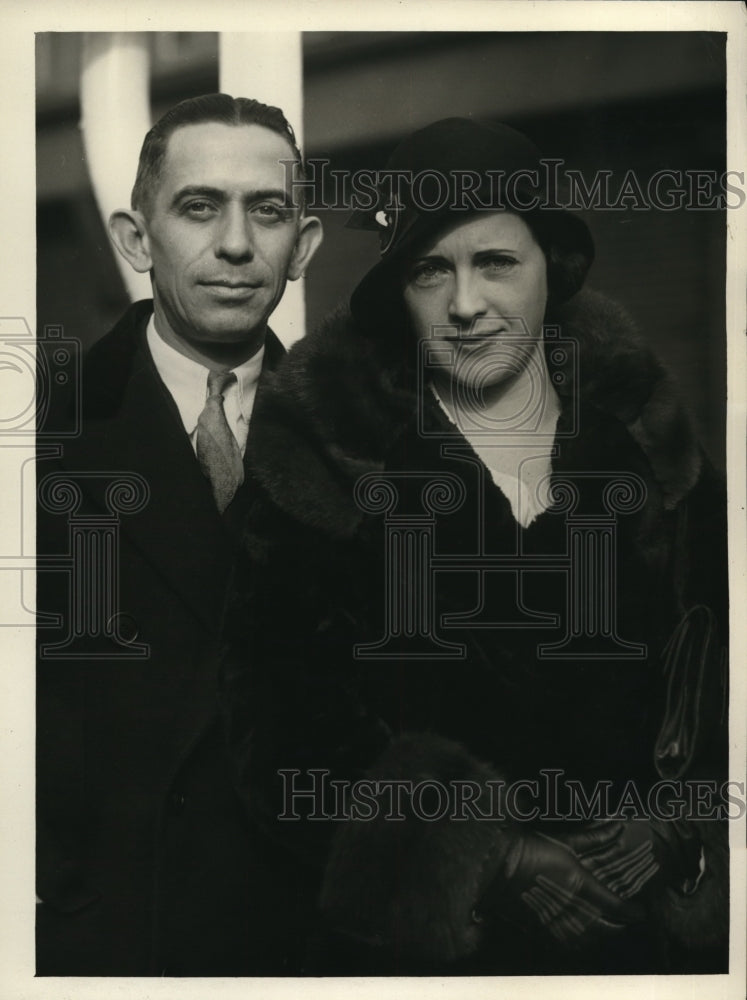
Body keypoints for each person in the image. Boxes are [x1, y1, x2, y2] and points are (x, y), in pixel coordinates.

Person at [220, 117, 729, 975]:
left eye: (495, 262)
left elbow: (717, 668)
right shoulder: (318, 464)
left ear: (551, 270)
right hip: (422, 962)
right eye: (430, 269)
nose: (464, 304)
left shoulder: (652, 447)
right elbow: (273, 733)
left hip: (641, 947)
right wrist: (490, 858)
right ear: (399, 294)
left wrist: (679, 823)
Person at [35, 93, 323, 975]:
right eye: (199, 207)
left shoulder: (367, 441)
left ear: (302, 246)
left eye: (266, 212)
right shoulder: (39, 433)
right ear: (134, 238)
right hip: (110, 942)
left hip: (310, 943)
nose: (235, 245)